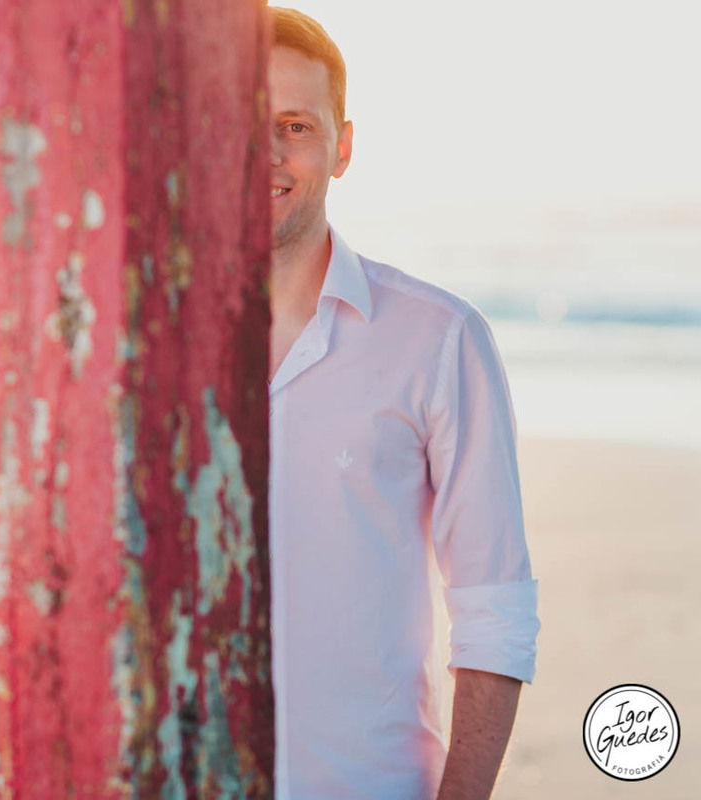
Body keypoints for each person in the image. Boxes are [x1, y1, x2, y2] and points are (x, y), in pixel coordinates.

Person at [265, 8, 540, 799]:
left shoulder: (440, 339)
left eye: (295, 126)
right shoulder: (135, 346)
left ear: (342, 147)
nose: (266, 153)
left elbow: (494, 607)